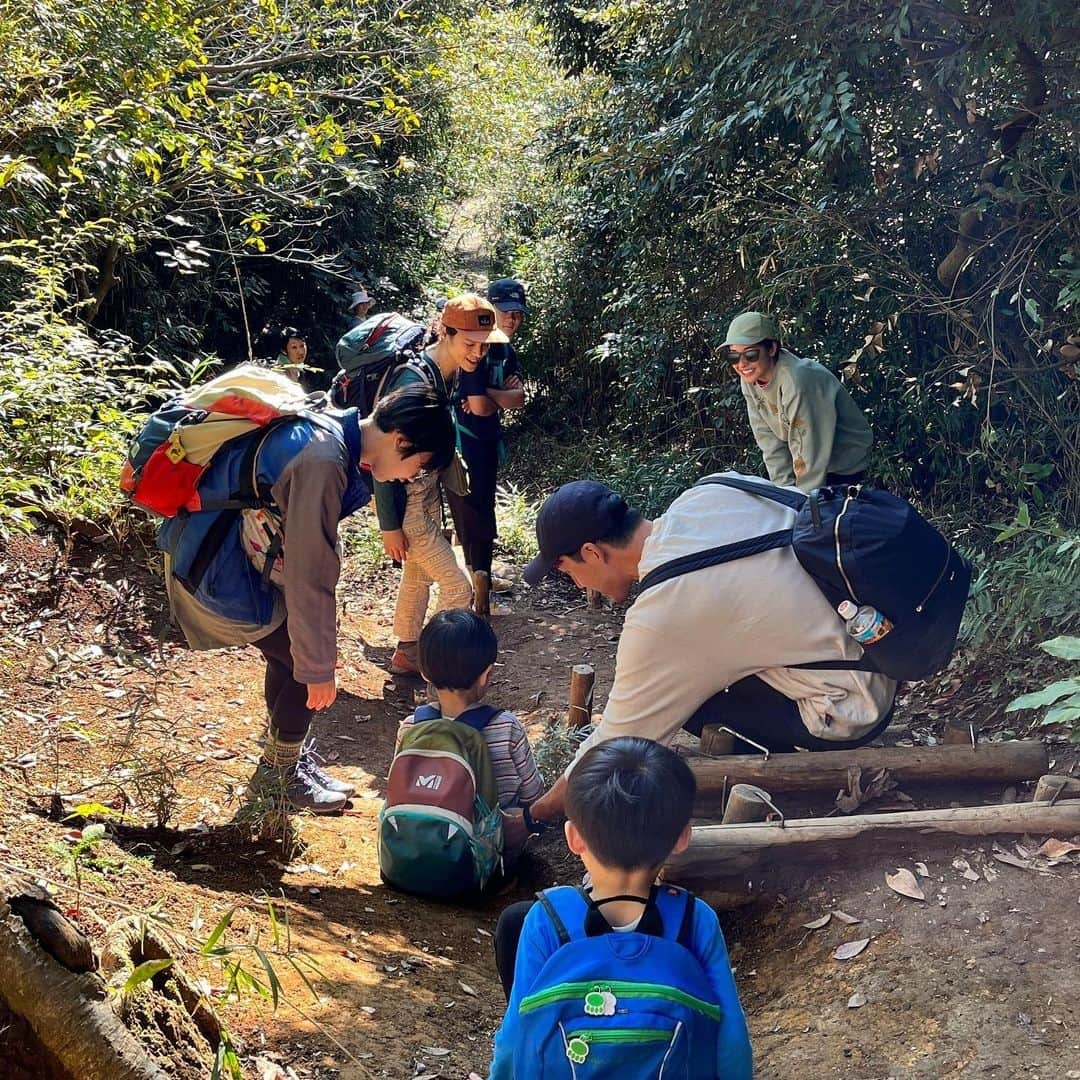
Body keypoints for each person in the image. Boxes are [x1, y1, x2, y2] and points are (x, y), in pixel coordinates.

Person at [519, 476, 897, 825]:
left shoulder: (664, 612)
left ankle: (779, 785)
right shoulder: (711, 492)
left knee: (693, 703)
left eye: (568, 571)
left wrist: (534, 816)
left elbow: (616, 740)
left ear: (592, 552)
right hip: (882, 649)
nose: (578, 582)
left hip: (851, 705)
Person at [158, 385, 456, 813]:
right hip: (217, 569)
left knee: (288, 659)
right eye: (419, 466)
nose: (412, 477)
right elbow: (309, 573)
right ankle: (279, 780)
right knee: (303, 667)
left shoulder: (330, 430)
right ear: (401, 440)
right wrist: (318, 666)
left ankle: (285, 768)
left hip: (220, 558)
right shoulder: (323, 460)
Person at [487, 737, 753, 1080]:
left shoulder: (549, 920)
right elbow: (731, 1039)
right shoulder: (694, 919)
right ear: (682, 839)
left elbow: (515, 1036)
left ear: (574, 838)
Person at [373, 293, 508, 676]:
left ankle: (408, 651)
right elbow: (382, 451)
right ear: (445, 333)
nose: (477, 354)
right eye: (468, 344)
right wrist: (389, 525)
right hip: (407, 499)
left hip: (426, 491)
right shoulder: (413, 380)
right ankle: (439, 661)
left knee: (417, 576)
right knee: (457, 586)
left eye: (483, 346)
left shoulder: (442, 374)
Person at [395, 610, 544, 862]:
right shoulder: (506, 727)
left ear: (424, 673)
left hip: (413, 855)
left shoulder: (410, 727)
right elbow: (534, 794)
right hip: (483, 859)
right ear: (486, 673)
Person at [726, 311, 873, 493]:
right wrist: (783, 493)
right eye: (733, 357)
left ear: (771, 349)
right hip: (811, 461)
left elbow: (810, 452)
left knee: (819, 514)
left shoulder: (798, 380)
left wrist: (803, 502)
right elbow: (769, 442)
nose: (741, 364)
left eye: (750, 355)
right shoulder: (749, 380)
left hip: (847, 466)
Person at [447, 278, 527, 607]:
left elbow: (519, 398)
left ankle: (479, 582)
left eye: (517, 315)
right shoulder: (475, 347)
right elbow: (479, 405)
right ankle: (474, 590)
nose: (511, 320)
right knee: (470, 515)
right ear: (489, 309)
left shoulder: (505, 349)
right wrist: (499, 397)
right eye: (505, 312)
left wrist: (490, 396)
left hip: (486, 442)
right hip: (460, 445)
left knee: (481, 514)